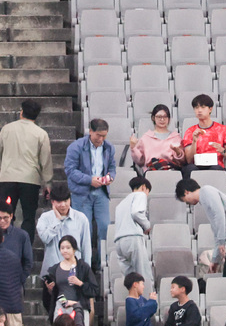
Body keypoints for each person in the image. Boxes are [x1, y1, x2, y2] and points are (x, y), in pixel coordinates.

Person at [0, 99, 54, 238]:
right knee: (29, 217)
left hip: (7, 178)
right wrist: (47, 183)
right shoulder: (41, 133)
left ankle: (7, 245)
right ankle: (25, 250)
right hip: (30, 180)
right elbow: (46, 160)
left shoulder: (7, 129)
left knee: (6, 215)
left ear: (22, 112)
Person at [176, 179, 226, 281]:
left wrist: (221, 241)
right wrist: (214, 261)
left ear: (186, 192)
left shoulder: (206, 191)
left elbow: (219, 214)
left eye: (185, 200)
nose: (188, 203)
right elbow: (217, 231)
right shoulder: (205, 199)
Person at [64, 119, 116, 265]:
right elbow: (70, 170)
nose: (101, 139)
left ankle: (102, 263)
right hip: (82, 192)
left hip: (101, 192)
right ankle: (83, 263)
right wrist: (89, 180)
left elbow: (112, 167)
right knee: (83, 229)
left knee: (104, 227)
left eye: (104, 136)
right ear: (90, 132)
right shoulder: (76, 147)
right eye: (98, 135)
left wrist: (110, 177)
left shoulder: (109, 147)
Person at [42, 235, 97, 326]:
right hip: (61, 306)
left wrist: (80, 283)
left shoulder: (83, 267)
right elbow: (52, 294)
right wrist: (50, 289)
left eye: (68, 248)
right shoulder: (55, 269)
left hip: (79, 307)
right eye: (62, 248)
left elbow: (94, 290)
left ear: (74, 249)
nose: (65, 250)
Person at [36, 189, 92, 276]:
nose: (63, 205)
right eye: (59, 201)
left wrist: (87, 272)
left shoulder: (81, 218)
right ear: (52, 202)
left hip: (74, 272)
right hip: (51, 272)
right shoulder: (45, 218)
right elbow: (45, 238)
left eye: (66, 201)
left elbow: (86, 247)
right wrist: (57, 220)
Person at [114, 176, 154, 291]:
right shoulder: (140, 195)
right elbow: (136, 212)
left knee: (129, 279)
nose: (146, 195)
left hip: (119, 242)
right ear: (143, 187)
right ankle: (147, 303)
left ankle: (132, 303)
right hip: (132, 238)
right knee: (143, 275)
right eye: (147, 192)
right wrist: (146, 226)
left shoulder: (121, 203)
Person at [181, 94, 226, 176]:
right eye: (196, 108)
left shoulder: (223, 130)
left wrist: (222, 150)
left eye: (203, 107)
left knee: (216, 170)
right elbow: (189, 160)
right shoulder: (190, 131)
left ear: (210, 109)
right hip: (196, 165)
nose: (199, 110)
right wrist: (194, 142)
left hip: (216, 165)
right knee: (189, 169)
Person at [129, 104, 184, 170]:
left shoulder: (176, 137)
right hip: (151, 170)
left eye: (165, 117)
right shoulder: (146, 138)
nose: (162, 119)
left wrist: (178, 152)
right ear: (153, 118)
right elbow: (140, 161)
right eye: (159, 117)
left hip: (171, 170)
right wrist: (133, 147)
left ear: (169, 119)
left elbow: (182, 162)